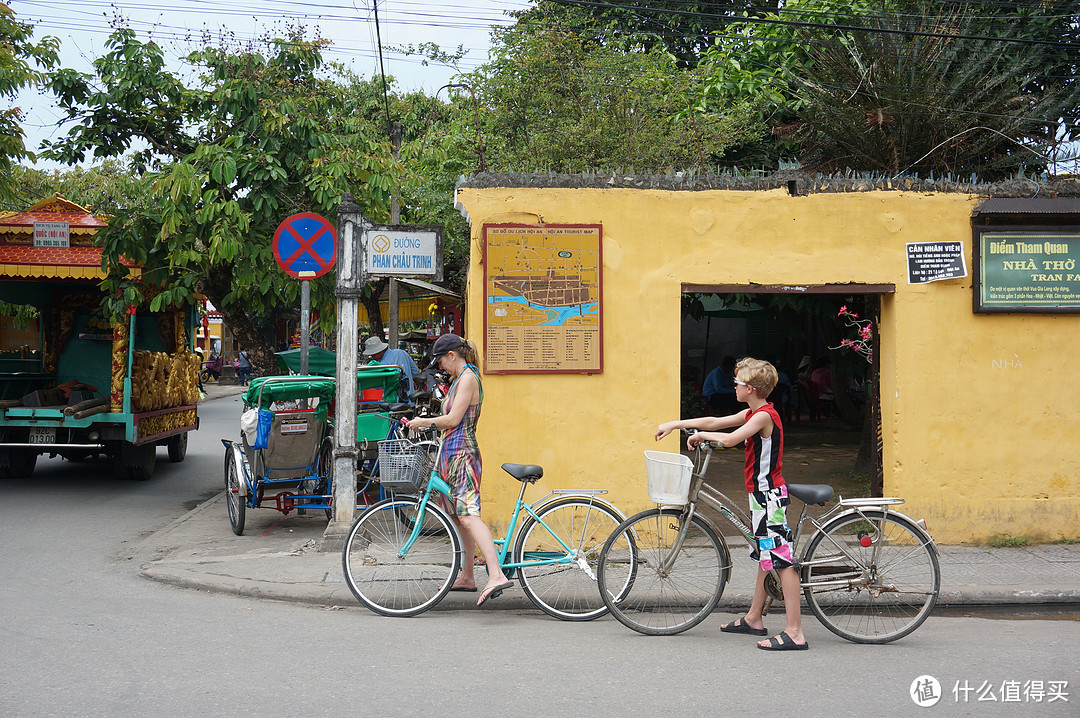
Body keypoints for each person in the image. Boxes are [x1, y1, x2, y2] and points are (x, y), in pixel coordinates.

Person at [655, 357, 808, 651]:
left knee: (782, 561)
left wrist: (701, 436)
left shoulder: (763, 416)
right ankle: (754, 618)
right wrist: (674, 424)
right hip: (761, 495)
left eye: (736, 383)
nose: (733, 386)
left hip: (769, 496)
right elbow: (715, 422)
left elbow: (730, 439)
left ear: (749, 389)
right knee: (766, 553)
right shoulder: (754, 412)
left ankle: (795, 631)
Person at [405, 333, 511, 607]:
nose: (440, 366)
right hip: (450, 452)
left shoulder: (468, 379)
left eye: (441, 360)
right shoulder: (456, 381)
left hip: (463, 453)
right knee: (456, 516)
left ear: (452, 355)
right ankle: (467, 576)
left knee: (469, 514)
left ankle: (496, 574)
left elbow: (453, 419)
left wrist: (423, 423)